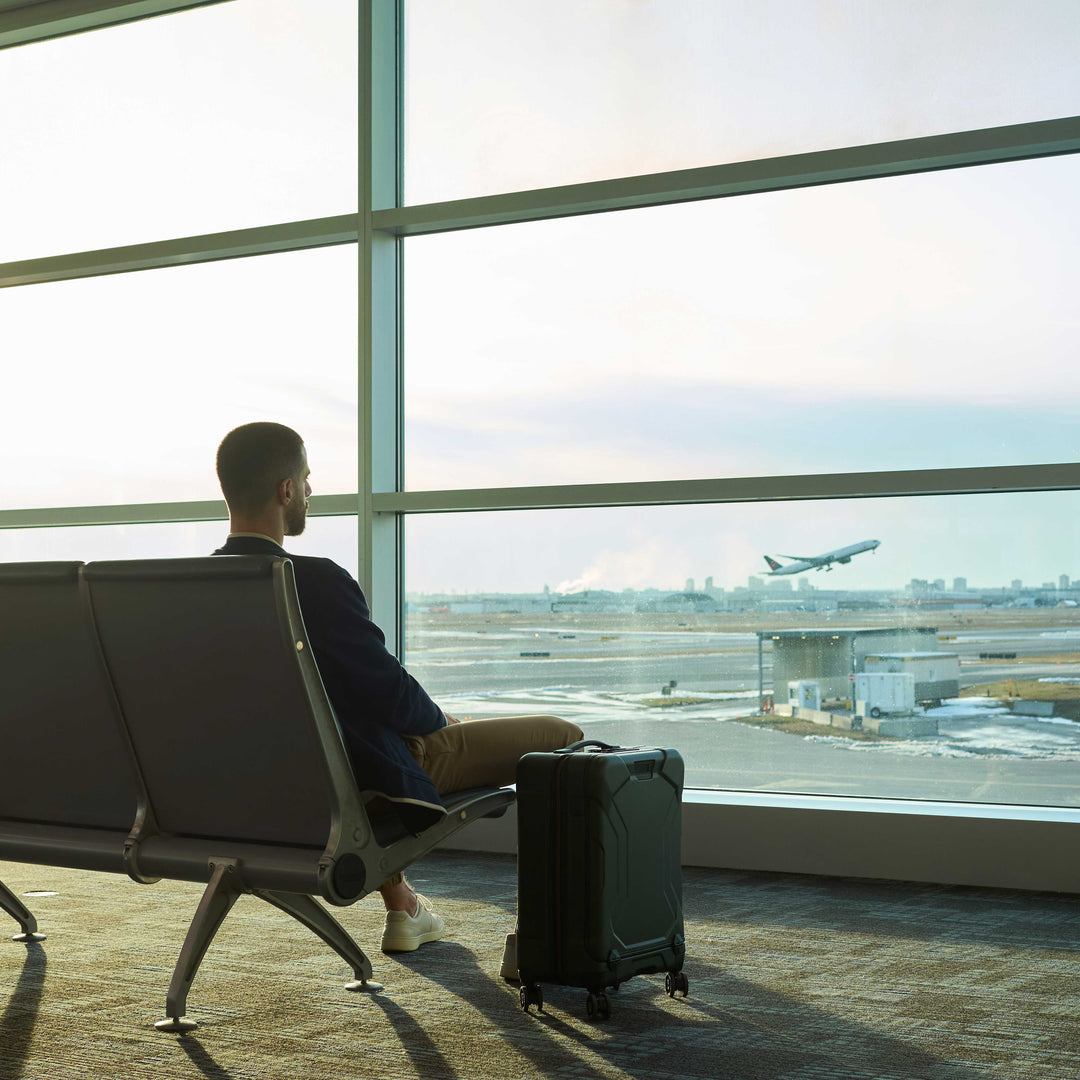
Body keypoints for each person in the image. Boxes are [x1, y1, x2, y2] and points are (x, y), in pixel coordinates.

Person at [213, 422, 582, 956]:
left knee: (346, 753)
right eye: (307, 480)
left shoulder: (196, 589)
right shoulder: (312, 581)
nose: (311, 493)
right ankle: (551, 941)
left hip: (251, 787)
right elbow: (386, 689)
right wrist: (441, 722)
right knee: (563, 734)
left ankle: (403, 905)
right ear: (285, 490)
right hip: (347, 782)